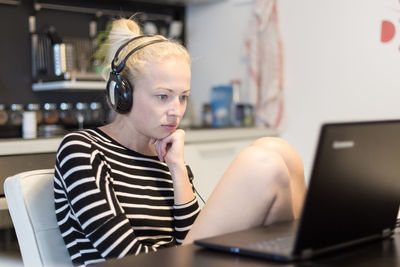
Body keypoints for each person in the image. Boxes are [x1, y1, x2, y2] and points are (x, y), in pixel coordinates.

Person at [54, 17, 306, 266]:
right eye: (162, 96)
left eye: (182, 97)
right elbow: (125, 257)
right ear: (122, 95)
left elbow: (186, 238)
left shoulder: (167, 155)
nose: (176, 111)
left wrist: (177, 170)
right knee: (263, 163)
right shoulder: (82, 150)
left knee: (280, 151)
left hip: (181, 261)